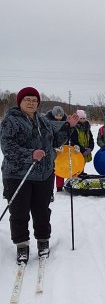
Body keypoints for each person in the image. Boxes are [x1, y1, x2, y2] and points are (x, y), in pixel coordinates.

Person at [0, 87, 79, 264]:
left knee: (42, 210)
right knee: (19, 212)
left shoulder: (43, 121)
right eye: (27, 99)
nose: (31, 103)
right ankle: (22, 244)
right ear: (19, 102)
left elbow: (55, 141)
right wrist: (30, 154)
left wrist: (68, 127)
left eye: (34, 100)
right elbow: (7, 148)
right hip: (18, 175)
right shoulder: (10, 121)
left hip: (44, 175)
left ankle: (43, 241)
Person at [45, 106, 67, 192]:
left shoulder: (65, 123)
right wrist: (54, 146)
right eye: (57, 115)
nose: (59, 117)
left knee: (61, 167)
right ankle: (49, 189)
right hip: (51, 149)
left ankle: (59, 186)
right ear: (53, 114)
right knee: (51, 169)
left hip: (63, 148)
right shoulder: (47, 122)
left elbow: (67, 134)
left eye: (60, 115)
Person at [70, 109, 94, 173]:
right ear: (78, 118)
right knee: (76, 170)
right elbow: (74, 142)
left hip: (86, 152)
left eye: (84, 118)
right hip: (77, 152)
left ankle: (81, 175)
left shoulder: (87, 128)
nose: (82, 120)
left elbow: (91, 139)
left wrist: (90, 148)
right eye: (81, 118)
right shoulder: (74, 128)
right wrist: (83, 150)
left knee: (82, 167)